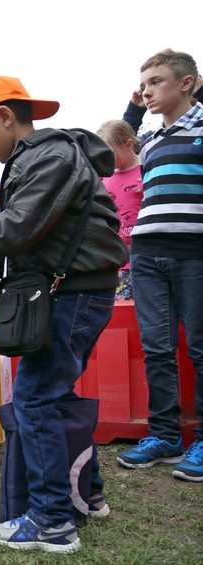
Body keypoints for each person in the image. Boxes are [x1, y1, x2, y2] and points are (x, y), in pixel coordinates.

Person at [0, 76, 128, 553]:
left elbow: (14, 231)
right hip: (74, 290)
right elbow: (34, 237)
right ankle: (86, 493)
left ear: (6, 118)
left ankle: (52, 520)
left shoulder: (45, 156)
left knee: (34, 399)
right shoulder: (45, 156)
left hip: (73, 294)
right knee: (55, 394)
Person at [116, 49, 203, 484]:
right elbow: (109, 144)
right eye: (143, 83)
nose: (146, 91)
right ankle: (166, 435)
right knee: (157, 349)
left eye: (156, 82)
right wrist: (133, 107)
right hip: (146, 254)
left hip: (194, 251)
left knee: (201, 348)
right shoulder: (149, 139)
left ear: (186, 84)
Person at [95, 119, 143, 301]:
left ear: (128, 145)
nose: (105, 158)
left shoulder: (145, 171)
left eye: (110, 153)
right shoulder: (102, 178)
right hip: (114, 261)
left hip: (141, 258)